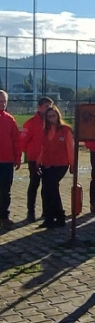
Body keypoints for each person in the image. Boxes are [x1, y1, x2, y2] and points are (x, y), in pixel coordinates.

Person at [37, 106, 74, 229]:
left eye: (54, 115)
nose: (52, 118)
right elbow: (43, 148)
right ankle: (52, 217)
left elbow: (70, 148)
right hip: (47, 163)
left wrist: (72, 164)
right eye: (49, 116)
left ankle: (58, 217)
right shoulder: (45, 131)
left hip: (61, 164)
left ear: (58, 115)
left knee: (51, 187)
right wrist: (39, 161)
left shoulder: (65, 130)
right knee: (48, 190)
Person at [20, 96, 54, 222]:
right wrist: (30, 153)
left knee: (48, 186)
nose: (49, 109)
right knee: (34, 184)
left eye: (50, 106)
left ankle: (46, 212)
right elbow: (23, 141)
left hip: (50, 159)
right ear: (39, 108)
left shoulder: (53, 122)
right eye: (46, 107)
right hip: (34, 159)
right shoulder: (31, 123)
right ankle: (31, 212)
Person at [0, 90, 21, 230]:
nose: (2, 104)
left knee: (5, 190)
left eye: (4, 102)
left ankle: (4, 216)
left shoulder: (9, 119)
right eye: (0, 101)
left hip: (6, 161)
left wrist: (17, 158)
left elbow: (16, 141)